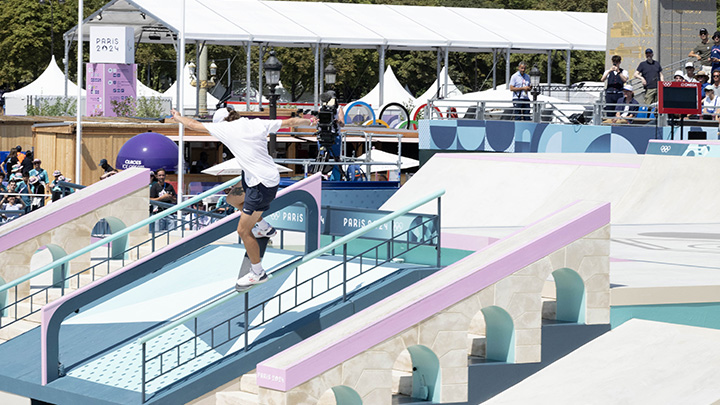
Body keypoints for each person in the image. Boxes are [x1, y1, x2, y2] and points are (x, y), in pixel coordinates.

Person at [170, 106, 317, 289]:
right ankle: (264, 227)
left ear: (222, 122)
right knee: (232, 200)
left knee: (243, 231)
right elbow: (290, 122)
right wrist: (309, 121)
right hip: (257, 177)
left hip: (261, 184)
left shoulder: (224, 128)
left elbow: (193, 124)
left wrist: (177, 117)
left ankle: (258, 272)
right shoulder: (256, 123)